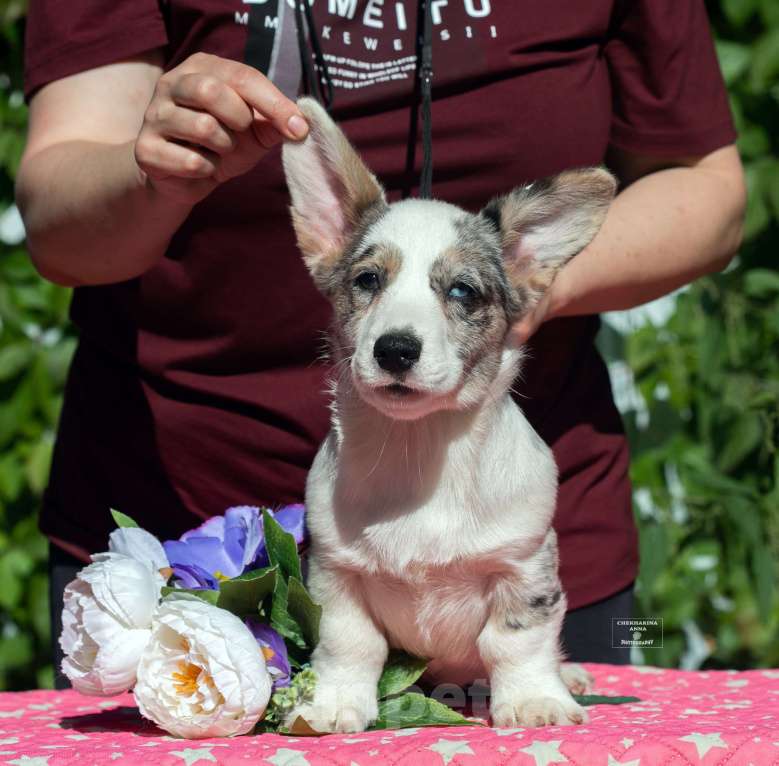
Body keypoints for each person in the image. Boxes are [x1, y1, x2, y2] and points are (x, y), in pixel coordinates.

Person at [17, 0, 745, 686]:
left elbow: (707, 190)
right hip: (191, 555)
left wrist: (524, 283)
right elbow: (57, 223)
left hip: (505, 571)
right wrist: (158, 168)